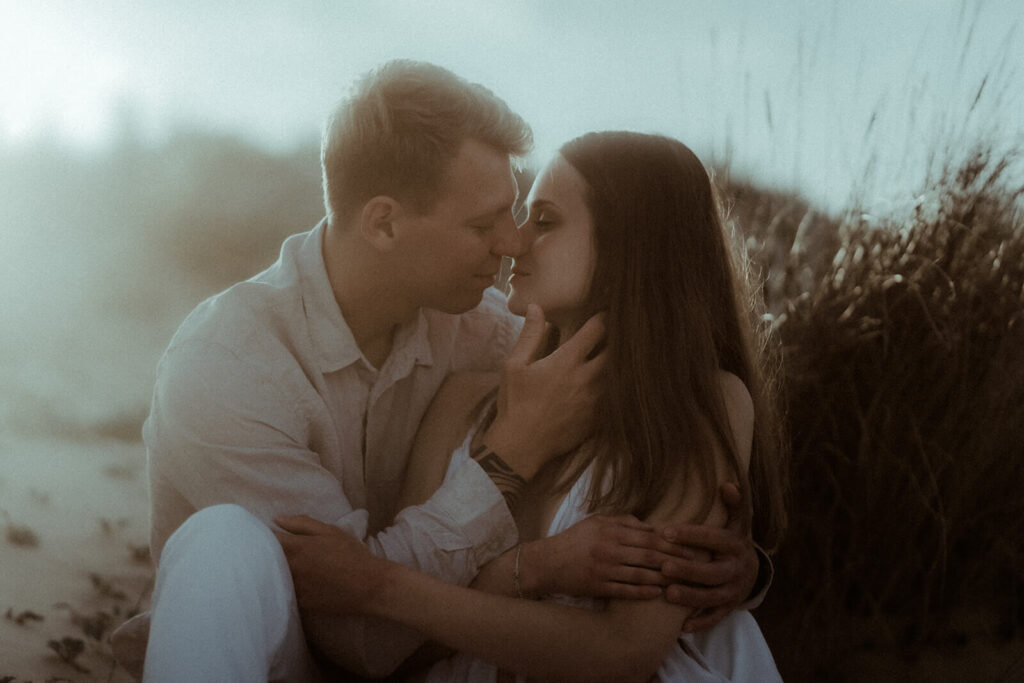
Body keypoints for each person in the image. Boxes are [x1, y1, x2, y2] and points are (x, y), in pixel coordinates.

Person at [112, 62, 763, 682]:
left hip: (429, 645)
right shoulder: (227, 364)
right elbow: (357, 639)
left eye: (526, 215)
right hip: (284, 656)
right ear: (386, 223)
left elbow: (650, 389)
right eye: (486, 223)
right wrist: (507, 460)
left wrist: (732, 568)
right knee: (223, 541)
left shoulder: (494, 338)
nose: (512, 244)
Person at [276, 131, 788, 682]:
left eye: (543, 221)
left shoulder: (699, 402)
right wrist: (537, 569)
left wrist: (379, 585)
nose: (513, 243)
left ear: (630, 244)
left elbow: (623, 653)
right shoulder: (461, 401)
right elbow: (397, 654)